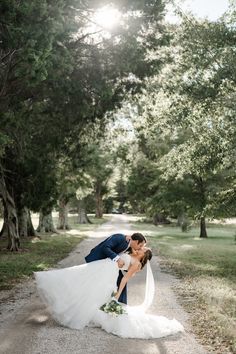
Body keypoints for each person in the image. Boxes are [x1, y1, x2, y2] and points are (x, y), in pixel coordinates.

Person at [35, 246, 184, 339]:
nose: (139, 248)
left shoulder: (137, 264)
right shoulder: (131, 254)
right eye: (141, 247)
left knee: (94, 294)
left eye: (142, 250)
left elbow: (125, 279)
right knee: (79, 278)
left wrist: (117, 296)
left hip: (109, 276)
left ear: (144, 256)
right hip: (104, 270)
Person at [85, 232, 146, 304]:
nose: (140, 248)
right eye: (140, 245)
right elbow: (105, 247)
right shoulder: (119, 237)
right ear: (136, 242)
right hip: (97, 259)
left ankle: (117, 304)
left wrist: (132, 269)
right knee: (91, 282)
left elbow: (126, 260)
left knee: (119, 283)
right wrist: (118, 259)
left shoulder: (129, 246)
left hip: (109, 265)